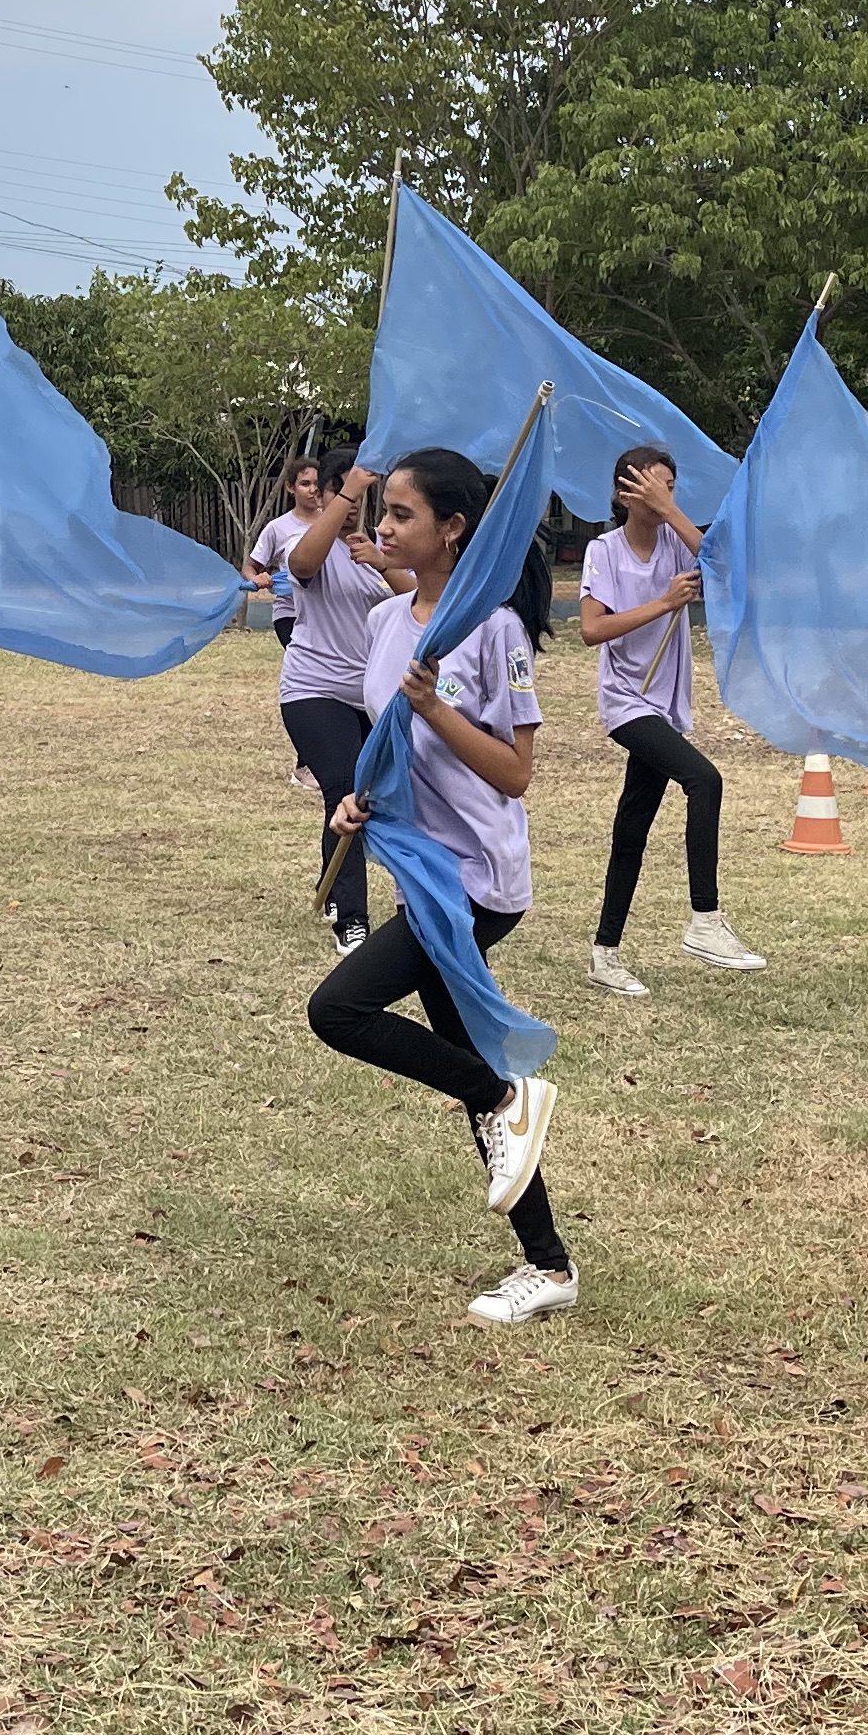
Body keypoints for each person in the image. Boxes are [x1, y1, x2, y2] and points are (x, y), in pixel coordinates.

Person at [307, 443, 574, 1326]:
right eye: (381, 512)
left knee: (338, 1010)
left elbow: (515, 773)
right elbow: (392, 754)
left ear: (454, 529)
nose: (380, 528)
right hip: (419, 868)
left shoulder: (493, 629)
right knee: (468, 1065)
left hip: (477, 883)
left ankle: (511, 1098)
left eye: (401, 515)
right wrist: (357, 804)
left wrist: (436, 706)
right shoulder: (388, 624)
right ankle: (549, 1265)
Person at [574, 443, 763, 997]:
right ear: (622, 492)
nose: (661, 496)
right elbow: (590, 630)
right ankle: (704, 919)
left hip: (668, 705)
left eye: (670, 488)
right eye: (651, 487)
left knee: (631, 827)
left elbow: (726, 568)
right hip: (627, 702)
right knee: (705, 780)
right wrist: (663, 603)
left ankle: (605, 952)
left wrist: (675, 514)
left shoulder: (678, 549)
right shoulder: (603, 551)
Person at [280, 450, 413, 954]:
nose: (350, 503)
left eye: (355, 491)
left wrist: (382, 563)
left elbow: (419, 602)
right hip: (313, 690)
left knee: (362, 799)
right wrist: (350, 489)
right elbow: (302, 564)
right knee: (345, 791)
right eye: (335, 489)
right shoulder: (306, 541)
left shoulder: (378, 548)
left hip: (371, 696)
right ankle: (352, 921)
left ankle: (331, 886)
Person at [248, 467, 315, 789]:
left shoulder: (338, 525)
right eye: (305, 483)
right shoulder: (279, 528)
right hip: (290, 615)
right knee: (311, 682)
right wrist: (257, 579)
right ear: (291, 488)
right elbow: (251, 567)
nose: (312, 490)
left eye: (318, 483)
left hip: (327, 618)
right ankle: (305, 764)